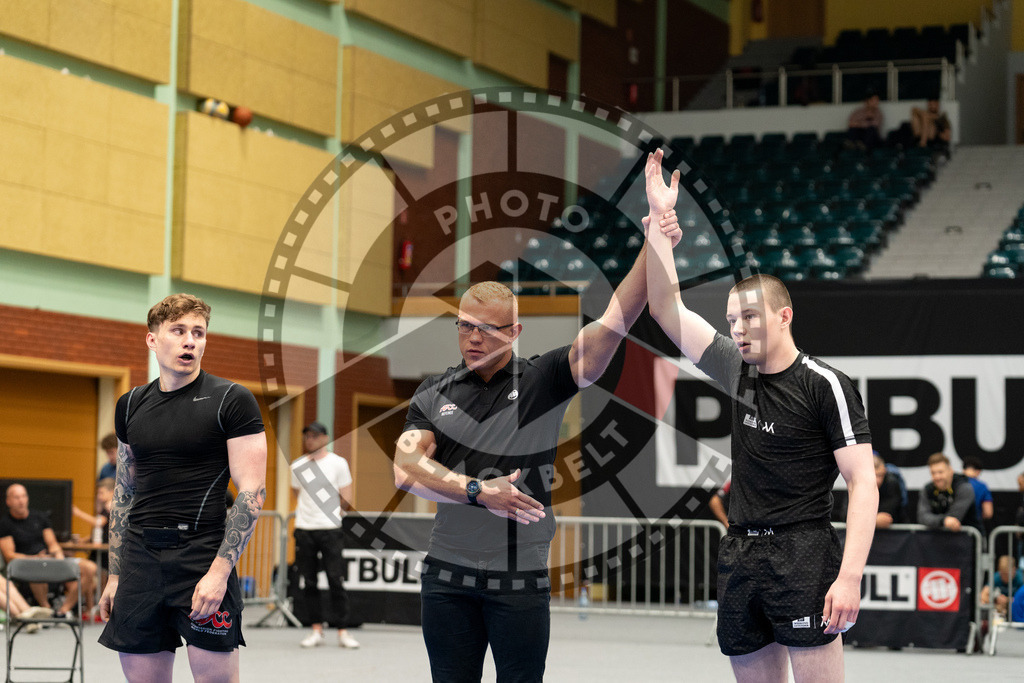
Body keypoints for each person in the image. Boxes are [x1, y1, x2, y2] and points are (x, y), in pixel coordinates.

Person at [393, 191, 681, 680]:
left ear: (516, 331)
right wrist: (478, 491)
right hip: (447, 571)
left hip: (518, 571)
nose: (473, 338)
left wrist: (652, 240)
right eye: (464, 326)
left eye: (486, 329)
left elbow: (613, 323)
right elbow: (405, 470)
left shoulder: (544, 379)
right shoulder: (432, 391)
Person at [644, 149, 878, 682]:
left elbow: (863, 482)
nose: (739, 329)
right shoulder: (734, 366)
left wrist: (849, 578)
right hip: (741, 555)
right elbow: (665, 308)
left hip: (805, 553)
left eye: (749, 316)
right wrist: (660, 225)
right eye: (731, 320)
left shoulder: (826, 385)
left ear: (784, 316)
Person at [97, 293, 267, 683]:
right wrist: (116, 575)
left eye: (199, 332)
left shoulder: (232, 400)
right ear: (152, 339)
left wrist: (220, 574)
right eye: (178, 331)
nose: (190, 340)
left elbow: (251, 493)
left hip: (201, 558)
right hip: (140, 560)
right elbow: (124, 495)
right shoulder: (130, 405)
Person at [291, 420, 359, 649]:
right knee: (309, 582)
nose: (309, 439)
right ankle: (316, 630)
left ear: (325, 438)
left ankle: (342, 631)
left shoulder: (338, 463)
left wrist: (334, 513)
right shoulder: (297, 465)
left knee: (335, 579)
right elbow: (295, 493)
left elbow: (346, 497)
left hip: (330, 530)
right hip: (305, 529)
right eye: (307, 436)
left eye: (314, 435)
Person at [0, 483, 98, 617]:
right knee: (36, 567)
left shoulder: (40, 517)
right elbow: (9, 556)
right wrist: (35, 558)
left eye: (23, 496)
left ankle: (63, 610)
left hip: (50, 559)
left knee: (90, 567)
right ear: (8, 501)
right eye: (17, 497)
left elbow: (52, 544)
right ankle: (46, 608)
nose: (21, 501)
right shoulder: (5, 524)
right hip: (27, 564)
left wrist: (58, 557)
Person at [918, 452, 980, 534]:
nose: (937, 477)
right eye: (933, 473)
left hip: (968, 539)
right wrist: (943, 520)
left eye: (940, 472)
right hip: (938, 539)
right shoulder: (927, 489)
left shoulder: (964, 487)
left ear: (950, 471)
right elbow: (922, 517)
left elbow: (954, 519)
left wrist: (940, 520)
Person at [963, 457, 994, 534]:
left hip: (955, 529)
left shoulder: (955, 484)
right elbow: (988, 513)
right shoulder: (982, 486)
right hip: (975, 528)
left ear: (964, 469)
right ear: (978, 471)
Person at [874, 454, 907, 528]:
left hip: (893, 533)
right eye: (874, 475)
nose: (877, 480)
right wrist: (874, 520)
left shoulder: (892, 483)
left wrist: (867, 519)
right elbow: (845, 513)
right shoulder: (857, 484)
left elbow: (887, 516)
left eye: (880, 475)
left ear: (884, 472)